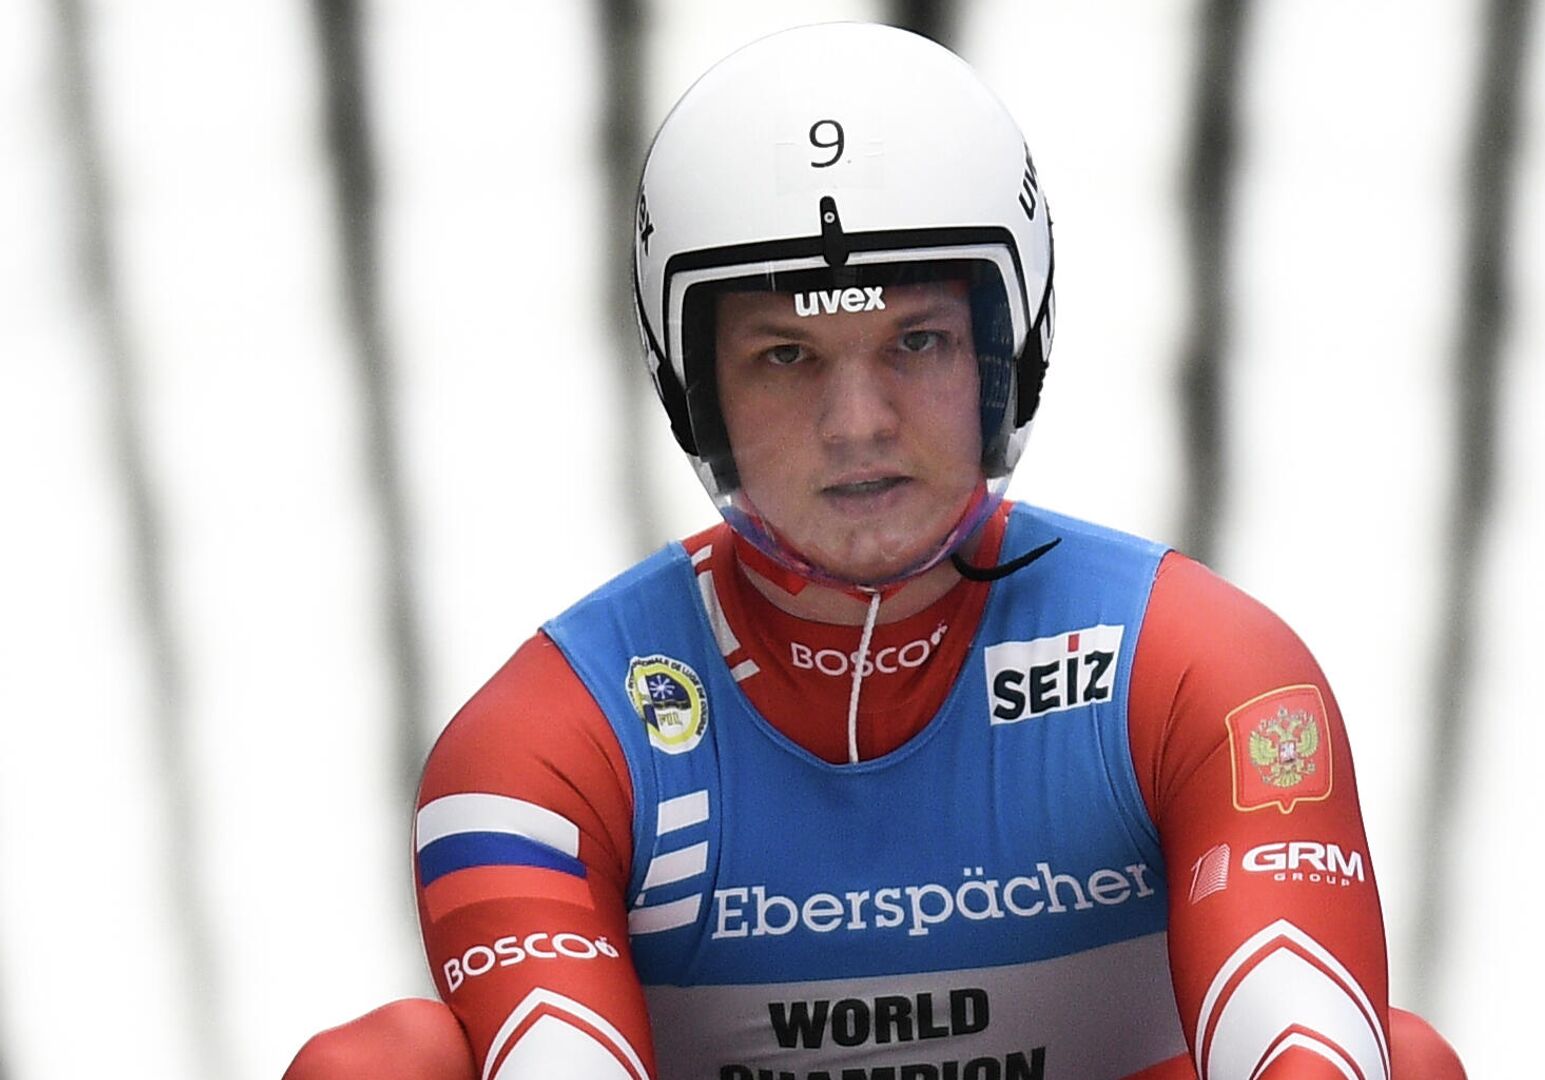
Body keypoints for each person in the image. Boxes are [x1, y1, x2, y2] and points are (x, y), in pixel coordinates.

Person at [286, 21, 1466, 1080]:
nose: (857, 424)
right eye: (785, 356)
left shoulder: (1207, 670)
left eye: (917, 341)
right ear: (692, 387)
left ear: (1010, 353)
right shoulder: (544, 743)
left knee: (1404, 1061)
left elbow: (1312, 1050)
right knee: (377, 1069)